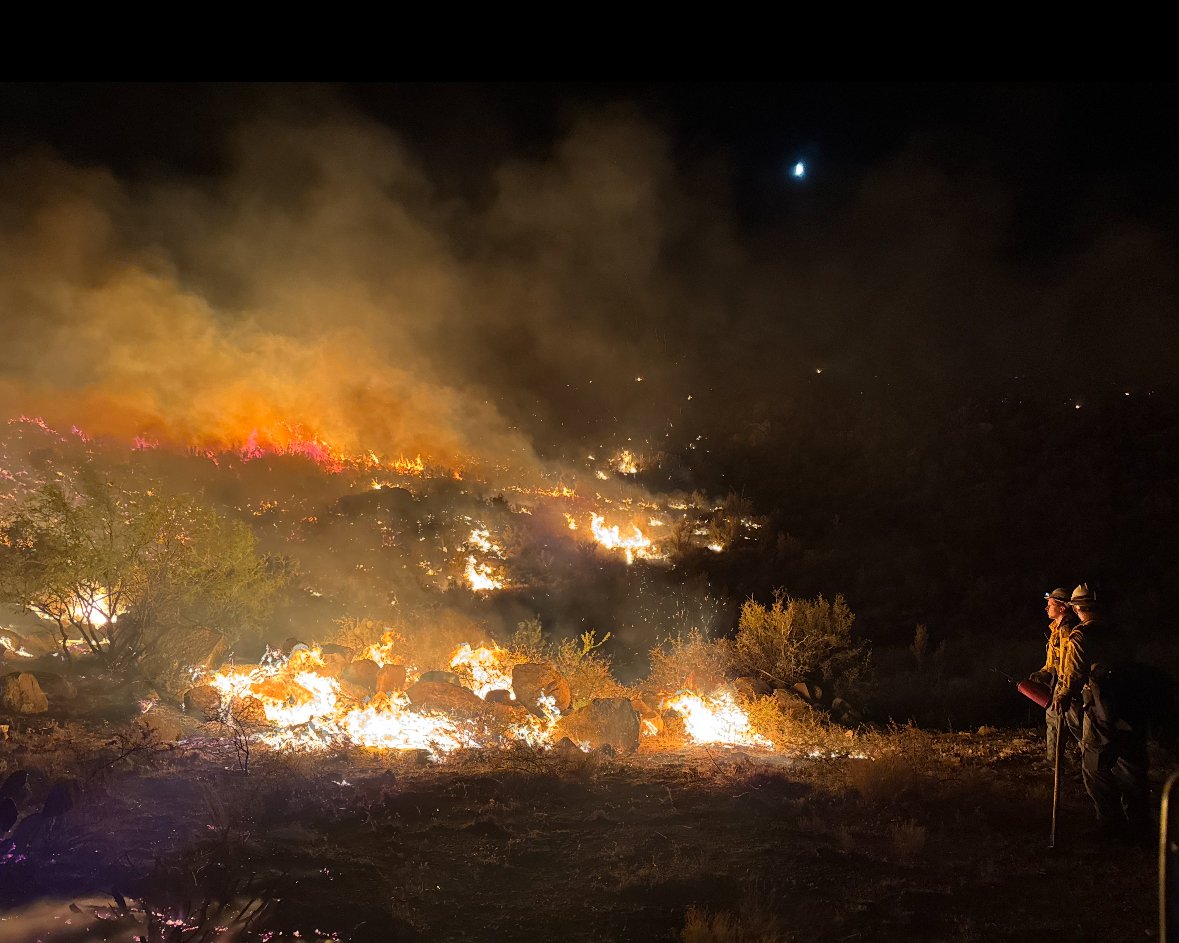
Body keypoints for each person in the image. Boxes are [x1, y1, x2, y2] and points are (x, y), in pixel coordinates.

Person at [1053, 582, 1151, 839]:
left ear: (1078, 608)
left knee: (1094, 764)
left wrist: (1063, 695)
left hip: (1101, 705)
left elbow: (1074, 673)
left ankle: (1110, 824)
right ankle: (1140, 824)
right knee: (1130, 763)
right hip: (1132, 704)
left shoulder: (1082, 634)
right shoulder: (1119, 631)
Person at [1027, 588, 1077, 762]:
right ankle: (1054, 762)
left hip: (1066, 684)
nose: (1046, 608)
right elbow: (1054, 661)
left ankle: (1090, 762)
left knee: (1074, 725)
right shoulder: (1056, 629)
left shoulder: (1066, 631)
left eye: (1050, 605)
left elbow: (1068, 663)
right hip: (1060, 683)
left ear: (1062, 608)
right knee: (1055, 721)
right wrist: (1043, 673)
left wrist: (1063, 689)